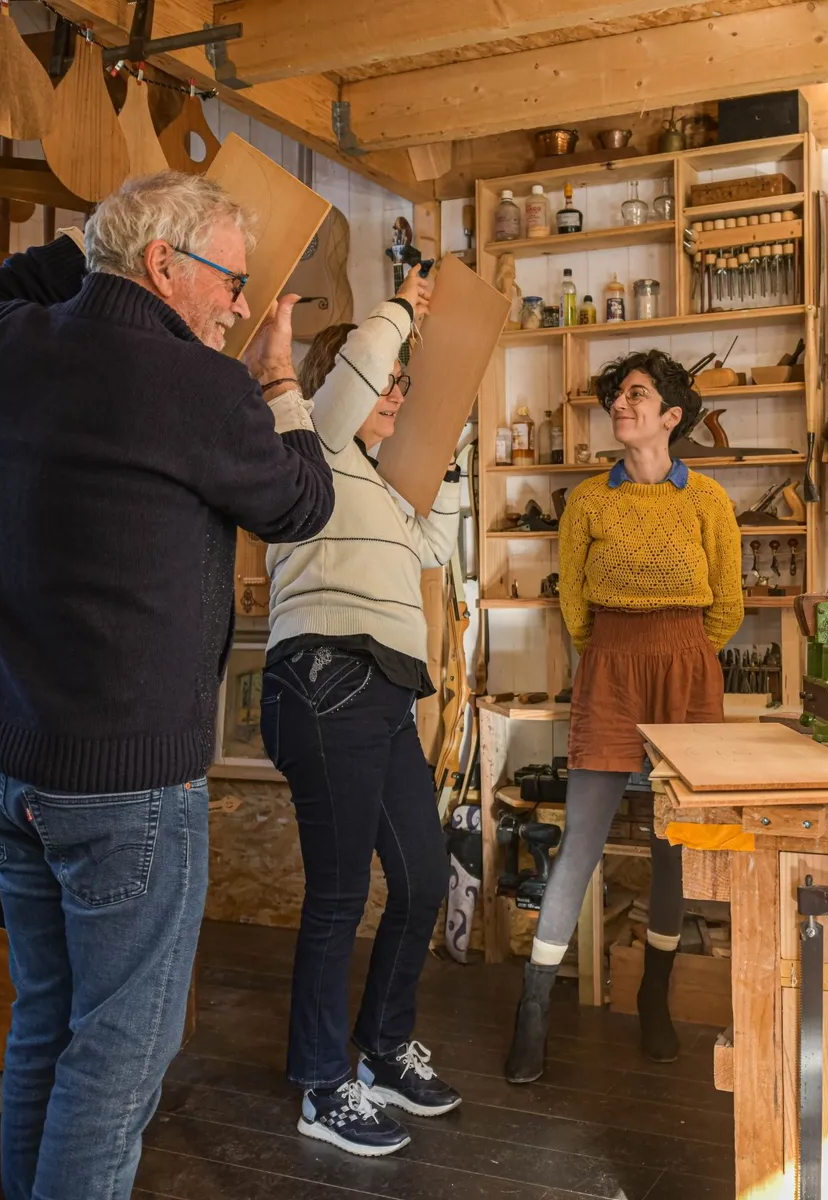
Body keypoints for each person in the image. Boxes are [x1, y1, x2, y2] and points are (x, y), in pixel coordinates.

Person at [0, 172, 335, 1200]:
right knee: (119, 1056)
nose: (243, 306)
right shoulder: (198, 388)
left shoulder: (8, 345)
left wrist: (101, 234)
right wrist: (280, 379)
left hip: (6, 765)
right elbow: (301, 501)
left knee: (44, 1025)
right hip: (123, 788)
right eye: (232, 282)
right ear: (164, 265)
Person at [261, 272, 465, 1158]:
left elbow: (431, 549)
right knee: (340, 897)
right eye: (384, 383)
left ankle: (380, 1051)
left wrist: (445, 465)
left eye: (397, 389)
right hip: (323, 679)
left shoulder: (373, 483)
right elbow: (356, 375)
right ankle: (319, 1082)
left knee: (421, 881)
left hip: (381, 689)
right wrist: (401, 312)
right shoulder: (308, 439)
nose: (394, 398)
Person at [504, 350, 743, 1084]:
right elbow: (573, 604)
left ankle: (655, 999)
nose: (621, 405)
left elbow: (726, 606)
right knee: (582, 840)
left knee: (676, 840)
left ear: (672, 416)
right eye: (616, 397)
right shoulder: (588, 503)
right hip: (608, 665)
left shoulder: (707, 500)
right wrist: (611, 654)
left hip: (686, 668)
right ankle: (534, 1011)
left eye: (637, 395)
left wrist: (680, 655)